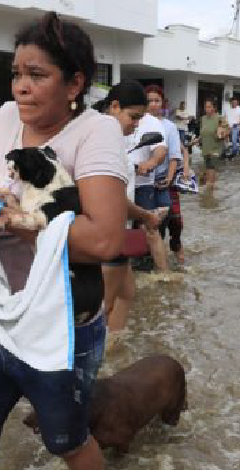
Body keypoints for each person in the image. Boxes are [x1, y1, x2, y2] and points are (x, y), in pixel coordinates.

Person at [0, 12, 128, 470]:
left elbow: (105, 240)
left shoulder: (96, 133)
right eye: (17, 74)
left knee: (67, 442)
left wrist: (21, 222)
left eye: (37, 75)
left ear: (75, 84)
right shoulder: (7, 117)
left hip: (61, 325)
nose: (21, 87)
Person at [95, 80, 163, 337]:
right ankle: (98, 352)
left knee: (126, 293)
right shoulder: (104, 145)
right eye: (133, 117)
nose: (136, 124)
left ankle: (114, 347)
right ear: (114, 107)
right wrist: (146, 216)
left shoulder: (113, 142)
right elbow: (113, 200)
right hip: (106, 234)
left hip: (117, 233)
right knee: (104, 305)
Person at [129, 87, 169, 272]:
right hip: (117, 183)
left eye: (155, 100)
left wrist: (150, 163)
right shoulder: (110, 121)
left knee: (151, 228)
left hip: (142, 183)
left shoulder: (152, 123)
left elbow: (161, 149)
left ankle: (164, 273)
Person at [146, 85, 187, 267]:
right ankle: (152, 260)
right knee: (149, 224)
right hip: (143, 182)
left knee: (175, 221)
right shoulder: (137, 124)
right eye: (149, 101)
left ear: (163, 103)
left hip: (165, 180)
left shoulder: (169, 127)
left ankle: (176, 249)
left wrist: (169, 179)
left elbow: (175, 156)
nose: (153, 104)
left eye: (157, 100)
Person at [198, 99, 226, 191]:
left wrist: (221, 133)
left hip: (215, 149)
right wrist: (196, 140)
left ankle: (209, 194)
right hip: (205, 149)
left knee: (211, 169)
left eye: (209, 107)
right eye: (206, 107)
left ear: (214, 108)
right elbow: (202, 133)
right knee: (207, 172)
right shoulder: (203, 119)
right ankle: (211, 193)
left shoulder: (220, 118)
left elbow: (225, 132)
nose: (207, 109)